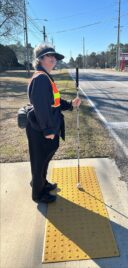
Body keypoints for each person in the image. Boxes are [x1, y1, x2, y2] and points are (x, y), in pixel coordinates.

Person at [26, 43, 81, 203]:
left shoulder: (46, 77)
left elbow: (54, 102)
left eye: (54, 57)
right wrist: (48, 130)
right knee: (39, 161)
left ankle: (41, 183)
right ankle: (38, 193)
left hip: (46, 127)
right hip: (41, 129)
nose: (53, 59)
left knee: (44, 159)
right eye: (49, 56)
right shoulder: (41, 78)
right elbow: (41, 107)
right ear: (40, 59)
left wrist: (70, 104)